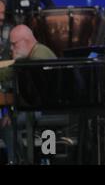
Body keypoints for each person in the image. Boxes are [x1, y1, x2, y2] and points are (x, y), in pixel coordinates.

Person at [0, 24, 56, 164]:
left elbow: (31, 95)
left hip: (44, 110)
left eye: (14, 44)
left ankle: (18, 161)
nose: (11, 49)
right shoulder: (33, 54)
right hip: (41, 107)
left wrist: (10, 109)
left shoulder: (38, 58)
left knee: (6, 125)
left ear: (25, 41)